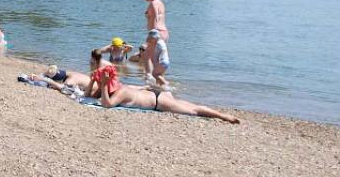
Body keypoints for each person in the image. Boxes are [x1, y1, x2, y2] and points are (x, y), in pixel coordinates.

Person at [89, 50, 239, 123]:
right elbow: (90, 96)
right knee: (191, 106)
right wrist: (96, 82)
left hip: (160, 101)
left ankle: (224, 116)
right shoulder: (123, 87)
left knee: (193, 110)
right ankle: (221, 115)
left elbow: (107, 105)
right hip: (157, 95)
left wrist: (102, 85)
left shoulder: (121, 92)